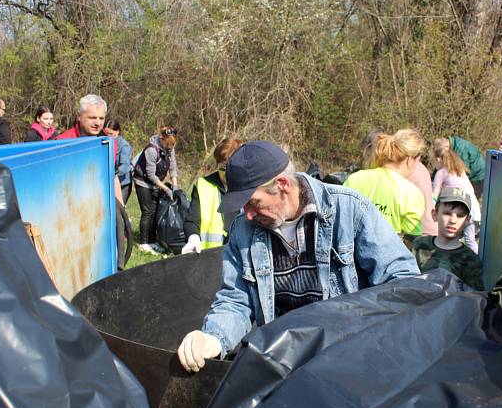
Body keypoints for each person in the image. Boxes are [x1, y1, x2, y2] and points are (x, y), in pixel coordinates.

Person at [177, 141, 420, 372]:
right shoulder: (243, 230)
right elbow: (235, 300)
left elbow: (403, 281)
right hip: (283, 367)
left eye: (254, 203)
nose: (248, 215)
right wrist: (213, 338)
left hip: (350, 363)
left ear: (283, 185)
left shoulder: (350, 210)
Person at [344, 129, 426, 237]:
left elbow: (341, 218)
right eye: (418, 161)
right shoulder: (411, 194)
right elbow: (412, 240)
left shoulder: (354, 178)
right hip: (388, 252)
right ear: (410, 160)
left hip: (349, 250)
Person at [411, 186, 484, 290]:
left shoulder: (470, 260)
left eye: (460, 215)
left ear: (467, 220)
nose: (453, 220)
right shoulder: (419, 245)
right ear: (435, 214)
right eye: (447, 213)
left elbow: (473, 299)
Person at [181, 138, 245, 254]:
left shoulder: (250, 186)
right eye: (222, 168)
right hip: (211, 258)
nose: (226, 174)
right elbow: (191, 221)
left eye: (231, 168)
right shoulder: (203, 185)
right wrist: (193, 237)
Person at [132, 126, 179, 253]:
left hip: (156, 183)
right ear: (162, 138)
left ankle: (152, 241)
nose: (170, 147)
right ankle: (143, 242)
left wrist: (174, 186)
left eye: (172, 144)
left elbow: (173, 166)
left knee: (155, 211)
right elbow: (151, 175)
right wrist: (165, 188)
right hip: (143, 182)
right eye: (168, 144)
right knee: (147, 211)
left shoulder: (170, 148)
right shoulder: (151, 150)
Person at [432, 140, 481, 253]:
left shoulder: (442, 172)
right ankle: (478, 261)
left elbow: (434, 195)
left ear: (438, 159)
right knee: (470, 240)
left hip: (461, 208)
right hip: (472, 208)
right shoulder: (460, 171)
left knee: (453, 240)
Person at [104, 119, 133, 204]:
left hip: (122, 184)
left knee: (119, 210)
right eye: (106, 133)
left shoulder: (124, 146)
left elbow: (125, 167)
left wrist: (109, 174)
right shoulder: (104, 142)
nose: (108, 136)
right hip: (107, 183)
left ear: (118, 132)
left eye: (111, 134)